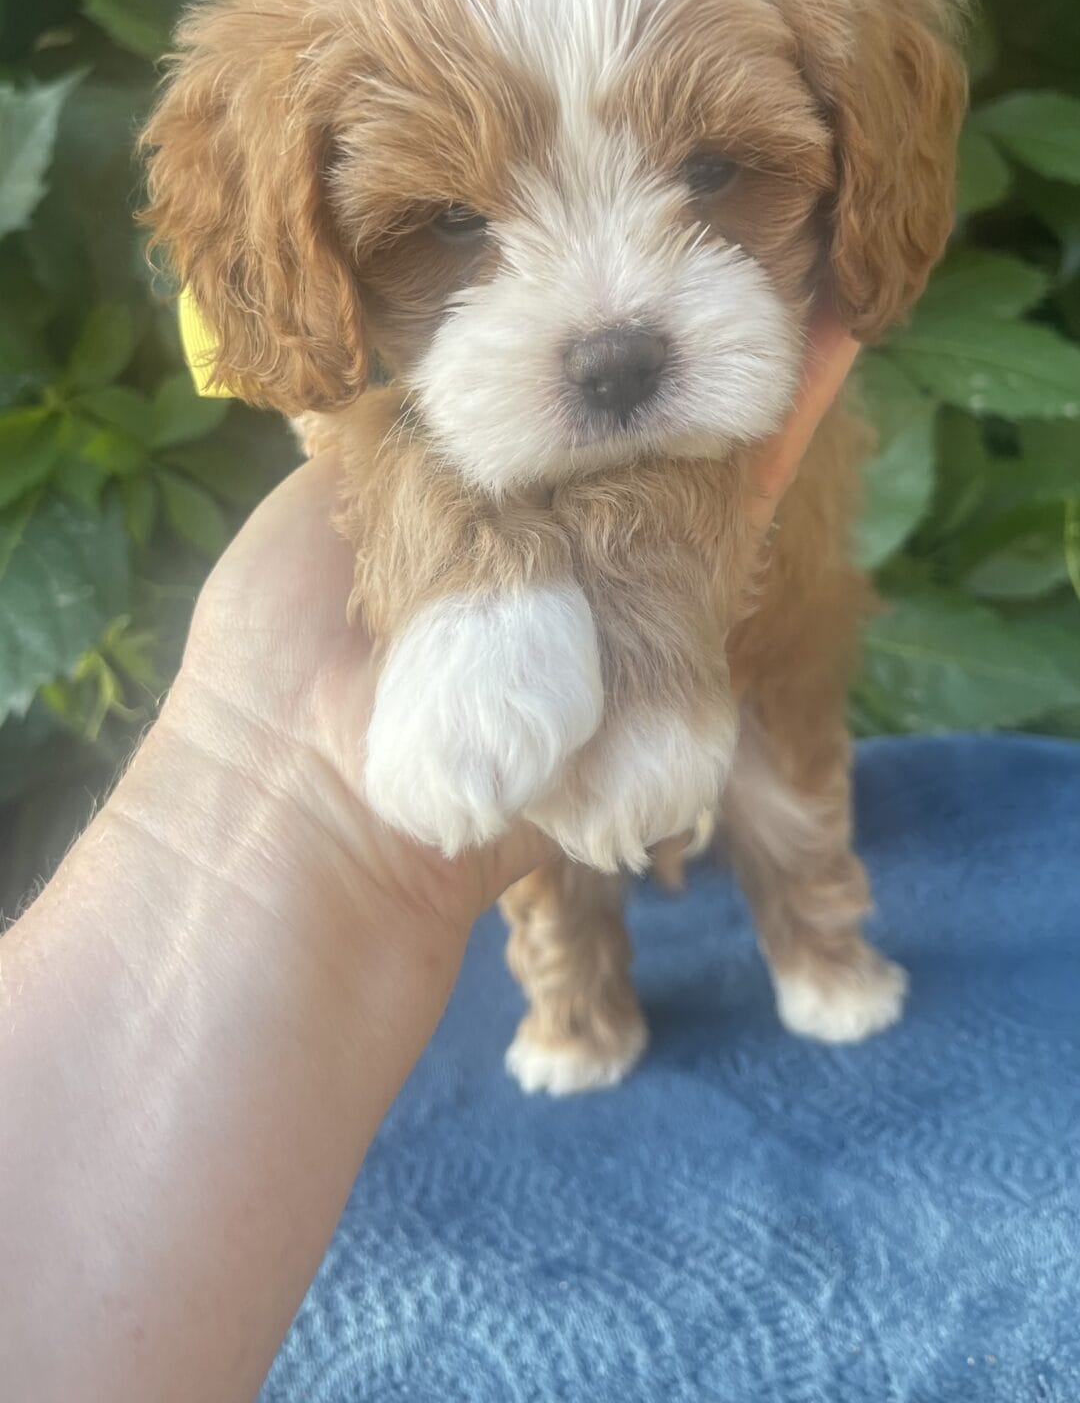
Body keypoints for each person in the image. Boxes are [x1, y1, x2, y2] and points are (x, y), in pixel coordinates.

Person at [0, 321, 859, 1403]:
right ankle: (578, 1002)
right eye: (456, 224)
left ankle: (818, 941)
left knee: (781, 788)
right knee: (544, 827)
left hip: (754, 653)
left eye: (708, 177)